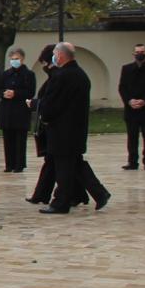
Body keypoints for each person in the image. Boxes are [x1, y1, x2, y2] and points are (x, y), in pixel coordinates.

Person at [37, 42, 105, 215]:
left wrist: (39, 108)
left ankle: (61, 202)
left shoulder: (61, 76)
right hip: (77, 128)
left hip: (62, 130)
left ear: (60, 56)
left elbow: (51, 104)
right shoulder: (81, 75)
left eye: (54, 54)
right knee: (76, 164)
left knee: (64, 168)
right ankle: (100, 193)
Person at [118, 43, 145, 171]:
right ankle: (132, 161)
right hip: (131, 109)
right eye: (137, 52)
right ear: (133, 54)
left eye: (142, 52)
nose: (140, 54)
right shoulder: (126, 68)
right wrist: (129, 101)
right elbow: (122, 87)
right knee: (132, 137)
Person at [0, 47, 36, 174]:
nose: (14, 61)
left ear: (22, 59)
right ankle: (9, 164)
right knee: (8, 139)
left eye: (17, 59)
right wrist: (4, 93)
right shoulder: (5, 74)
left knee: (20, 139)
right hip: (7, 110)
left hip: (21, 110)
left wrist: (16, 93)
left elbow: (30, 92)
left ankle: (19, 165)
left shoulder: (29, 74)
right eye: (12, 59)